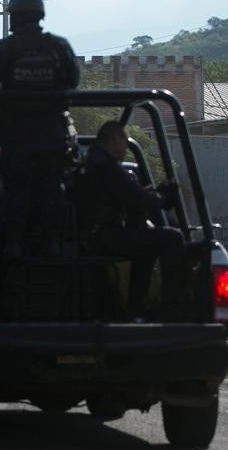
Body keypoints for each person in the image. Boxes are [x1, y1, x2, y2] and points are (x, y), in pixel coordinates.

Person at [0, 0, 80, 259]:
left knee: (15, 189)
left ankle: (14, 243)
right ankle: (51, 242)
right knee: (52, 186)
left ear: (15, 17)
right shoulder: (59, 47)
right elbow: (73, 81)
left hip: (16, 137)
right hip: (53, 136)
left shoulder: (4, 49)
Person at [76, 121, 184, 320]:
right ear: (116, 139)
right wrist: (161, 194)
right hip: (103, 237)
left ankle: (135, 307)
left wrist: (151, 196)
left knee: (145, 245)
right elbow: (136, 199)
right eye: (124, 143)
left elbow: (128, 196)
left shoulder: (92, 161)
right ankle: (172, 304)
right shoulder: (104, 164)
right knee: (173, 238)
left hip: (95, 236)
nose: (125, 149)